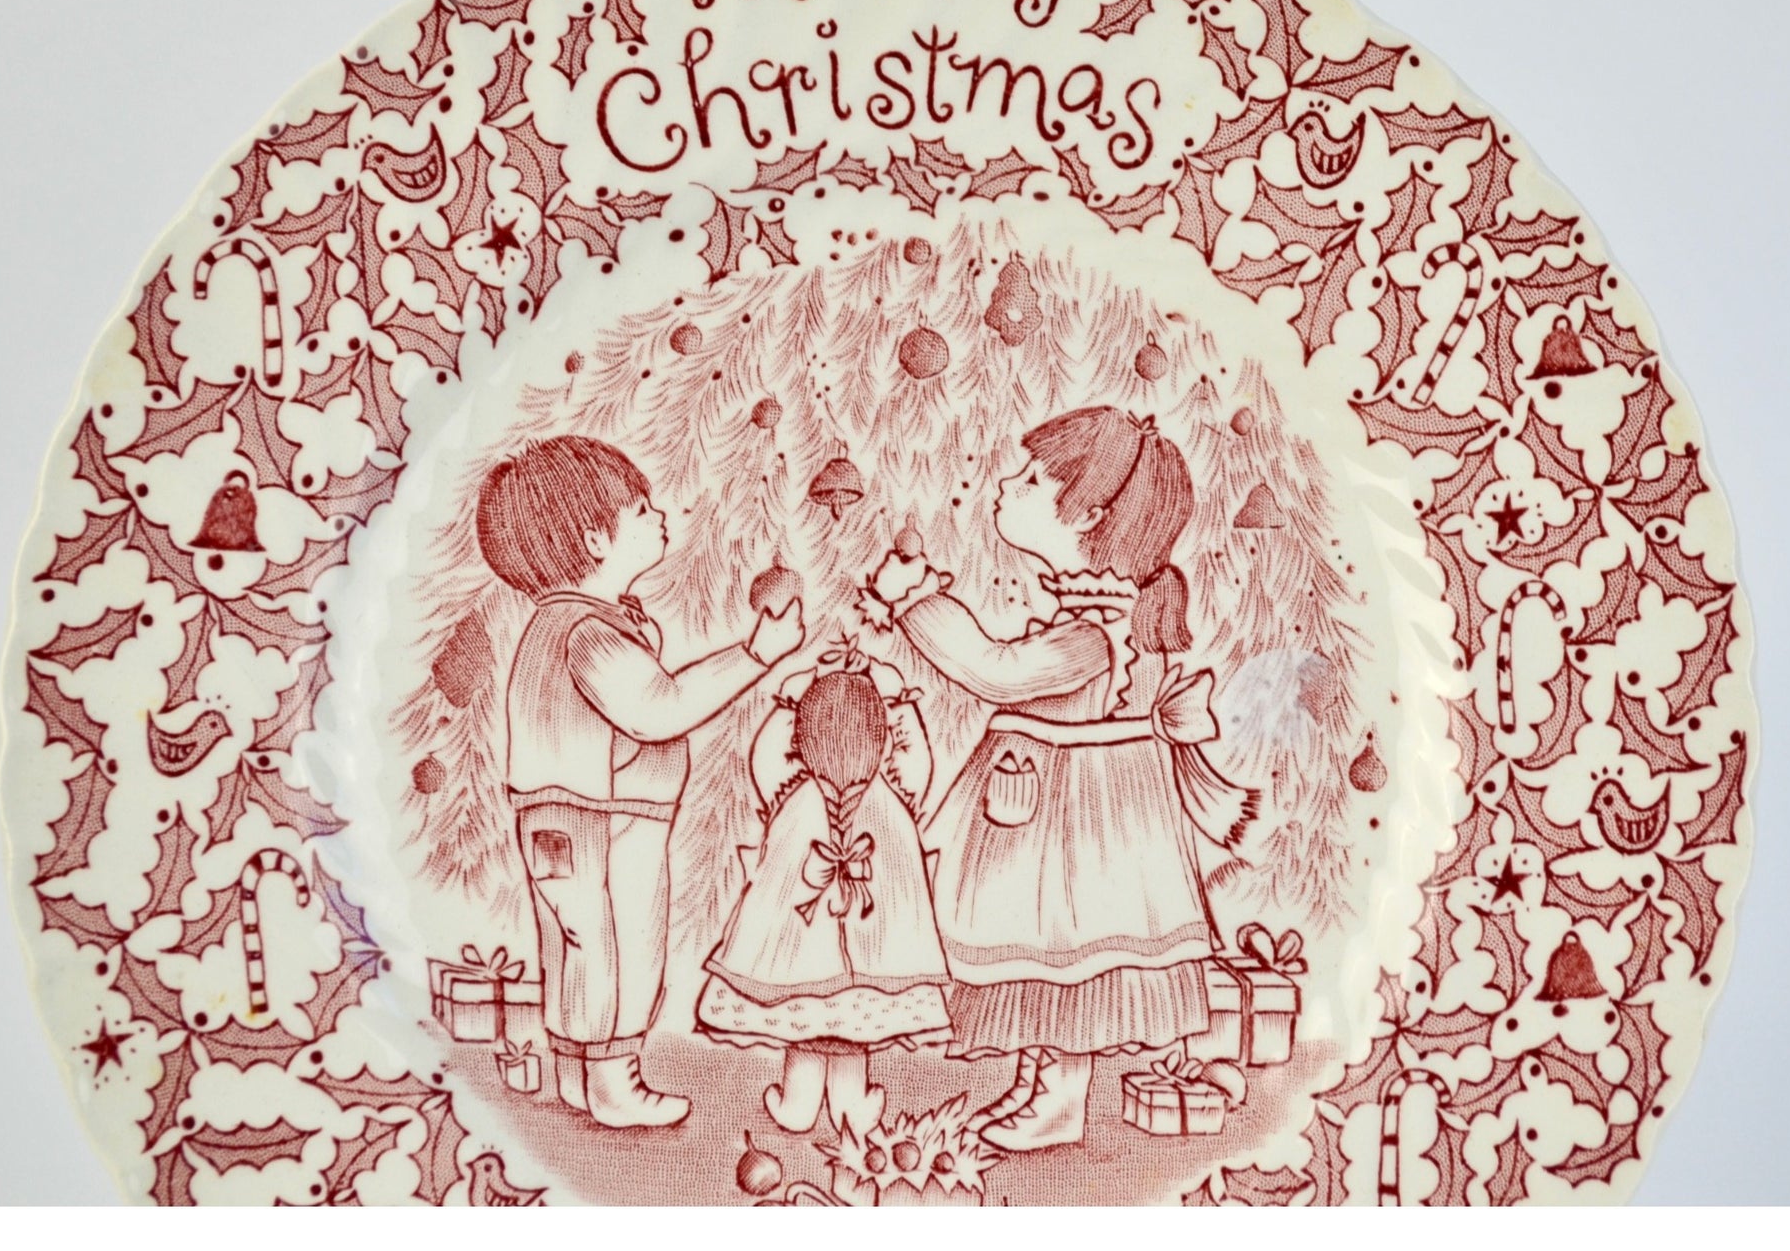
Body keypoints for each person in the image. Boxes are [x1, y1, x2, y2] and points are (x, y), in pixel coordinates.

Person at [857, 406, 1255, 1151]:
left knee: (1065, 956)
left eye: (1032, 480)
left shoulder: (1096, 631)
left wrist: (913, 602)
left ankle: (1060, 1099)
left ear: (1091, 514)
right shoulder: (1093, 613)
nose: (1007, 485)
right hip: (1051, 812)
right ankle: (1040, 1083)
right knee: (1040, 958)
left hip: (1076, 826)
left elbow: (998, 672)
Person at [480, 436, 805, 1128]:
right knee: (622, 942)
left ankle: (578, 1076)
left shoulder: (561, 625)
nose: (660, 517)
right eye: (641, 509)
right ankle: (615, 1082)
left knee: (576, 940)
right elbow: (658, 709)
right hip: (608, 818)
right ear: (597, 541)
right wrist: (757, 655)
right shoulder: (587, 632)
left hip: (564, 817)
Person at [696, 652, 951, 1137]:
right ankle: (850, 1107)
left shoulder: (792, 796)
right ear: (883, 741)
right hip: (875, 958)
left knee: (808, 1027)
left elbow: (764, 759)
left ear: (802, 743)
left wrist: (791, 694)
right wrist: (896, 695)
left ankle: (799, 1104)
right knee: (853, 1028)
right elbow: (917, 757)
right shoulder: (894, 797)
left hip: (797, 958)